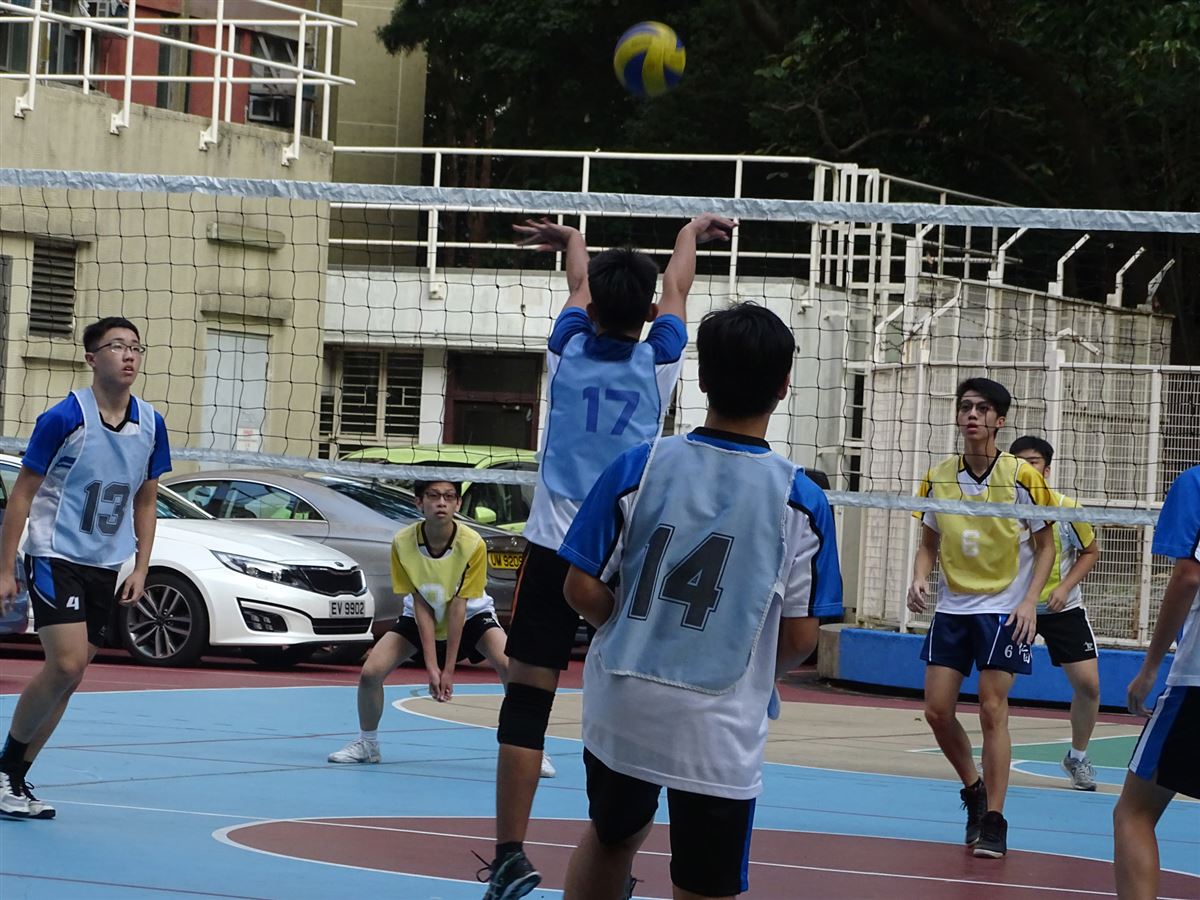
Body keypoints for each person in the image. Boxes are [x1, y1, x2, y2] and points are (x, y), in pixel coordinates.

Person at [480, 213, 734, 899]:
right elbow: (677, 287)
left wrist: (572, 243)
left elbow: (579, 288)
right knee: (631, 702)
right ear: (647, 312)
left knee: (526, 702)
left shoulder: (564, 350)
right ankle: (612, 853)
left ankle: (510, 854)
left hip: (553, 549)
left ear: (590, 307)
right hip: (625, 559)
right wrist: (689, 233)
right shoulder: (659, 362)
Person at [555, 303, 842, 900]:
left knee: (611, 839)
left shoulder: (641, 464)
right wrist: (757, 669)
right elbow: (800, 638)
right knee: (705, 883)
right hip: (719, 720)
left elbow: (579, 587)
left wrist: (628, 624)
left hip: (624, 701)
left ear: (702, 377)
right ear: (785, 386)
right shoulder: (800, 499)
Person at [0, 317, 170, 820]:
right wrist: (5, 569)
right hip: (56, 554)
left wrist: (141, 565)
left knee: (70, 679)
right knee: (67, 664)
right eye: (116, 346)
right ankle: (4, 770)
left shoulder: (151, 423)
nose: (129, 354)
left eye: (135, 346)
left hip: (105, 563)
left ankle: (16, 778)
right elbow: (21, 494)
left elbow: (146, 499)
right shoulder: (64, 417)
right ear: (92, 358)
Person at [906, 377, 1055, 858]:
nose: (972, 414)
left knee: (992, 707)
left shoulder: (1022, 476)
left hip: (1004, 608)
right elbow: (928, 543)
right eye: (966, 406)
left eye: (983, 408)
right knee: (936, 711)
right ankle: (973, 788)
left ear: (999, 420)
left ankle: (994, 818)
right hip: (953, 607)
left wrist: (1029, 601)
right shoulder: (937, 476)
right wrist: (919, 577)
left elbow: (1046, 546)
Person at [328, 479, 552, 776]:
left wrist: (448, 670)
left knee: (512, 669)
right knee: (371, 673)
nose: (441, 503)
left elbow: (459, 607)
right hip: (420, 616)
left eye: (449, 496)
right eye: (433, 496)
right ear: (419, 502)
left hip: (471, 616)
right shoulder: (403, 542)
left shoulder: (472, 543)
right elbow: (420, 603)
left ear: (458, 503)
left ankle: (530, 749)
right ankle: (367, 744)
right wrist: (431, 668)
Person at [1113, 465, 1200, 900]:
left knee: (1134, 811)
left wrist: (1149, 668)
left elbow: (1189, 576)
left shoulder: (1196, 483)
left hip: (1196, 680)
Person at [1009, 435, 1102, 790]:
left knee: (1089, 686)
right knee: (997, 686)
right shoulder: (1000, 510)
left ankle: (1077, 758)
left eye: (1032, 462)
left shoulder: (1066, 508)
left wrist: (1064, 587)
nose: (1025, 468)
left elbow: (1090, 551)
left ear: (1046, 470)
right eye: (1018, 462)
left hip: (1062, 608)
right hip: (1016, 607)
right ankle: (993, 754)